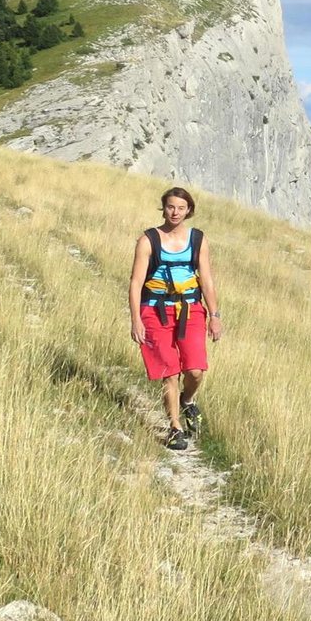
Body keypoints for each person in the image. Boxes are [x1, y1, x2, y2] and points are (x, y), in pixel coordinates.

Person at [129, 187, 222, 451]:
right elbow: (136, 283)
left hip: (190, 310)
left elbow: (206, 280)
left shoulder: (198, 239)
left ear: (189, 210)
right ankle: (175, 427)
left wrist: (214, 315)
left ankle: (187, 400)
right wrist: (135, 319)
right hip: (155, 311)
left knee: (195, 370)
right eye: (171, 207)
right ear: (164, 208)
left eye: (181, 208)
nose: (175, 212)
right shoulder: (148, 240)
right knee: (169, 372)